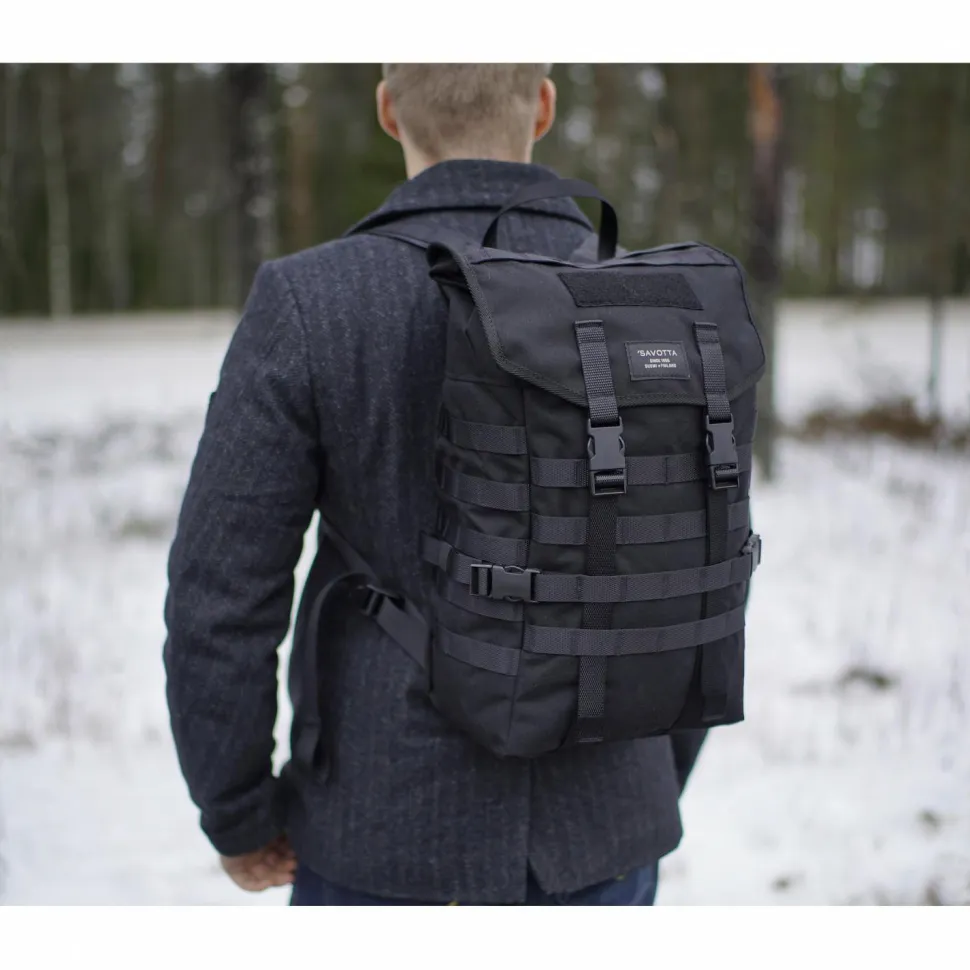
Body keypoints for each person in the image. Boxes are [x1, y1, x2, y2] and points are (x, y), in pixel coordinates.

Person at [163, 63, 706, 907]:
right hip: (607, 827)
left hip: (386, 828)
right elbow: (695, 568)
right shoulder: (656, 302)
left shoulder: (312, 301)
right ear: (544, 104)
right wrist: (648, 774)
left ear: (388, 110)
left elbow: (221, 594)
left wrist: (236, 813)